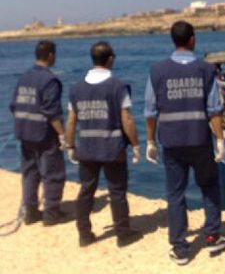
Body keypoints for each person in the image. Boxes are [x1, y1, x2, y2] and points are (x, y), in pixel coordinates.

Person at [144, 21, 225, 265]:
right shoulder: (205, 70)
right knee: (209, 186)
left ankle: (181, 248)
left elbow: (150, 112)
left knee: (175, 194)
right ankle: (213, 236)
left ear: (173, 40)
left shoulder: (157, 71)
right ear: (192, 39)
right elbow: (214, 109)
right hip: (200, 140)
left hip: (171, 143)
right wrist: (220, 141)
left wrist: (150, 141)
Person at [66, 41, 142, 248]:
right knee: (117, 191)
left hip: (87, 149)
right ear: (110, 60)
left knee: (86, 191)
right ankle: (123, 233)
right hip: (112, 148)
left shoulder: (76, 89)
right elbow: (126, 119)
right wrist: (136, 145)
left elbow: (71, 120)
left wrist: (70, 146)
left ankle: (84, 234)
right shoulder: (118, 87)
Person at [9, 40, 67, 226]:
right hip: (44, 134)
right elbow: (52, 112)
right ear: (50, 55)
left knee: (30, 172)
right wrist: (63, 135)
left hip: (24, 132)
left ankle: (31, 212)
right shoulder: (50, 80)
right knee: (53, 173)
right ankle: (51, 214)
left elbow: (13, 105)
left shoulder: (24, 77)